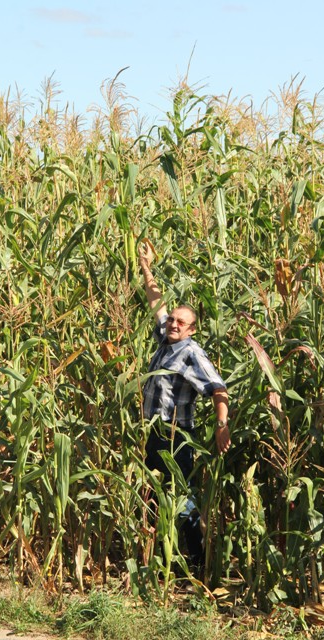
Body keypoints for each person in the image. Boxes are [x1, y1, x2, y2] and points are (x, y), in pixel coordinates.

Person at [138, 241, 230, 572]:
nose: (173, 324)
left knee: (182, 499)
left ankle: (198, 564)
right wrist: (146, 267)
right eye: (172, 320)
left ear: (191, 330)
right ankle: (160, 562)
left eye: (180, 322)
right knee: (152, 496)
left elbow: (219, 389)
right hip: (153, 434)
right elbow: (156, 303)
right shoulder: (166, 341)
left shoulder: (191, 353)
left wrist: (222, 426)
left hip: (176, 437)